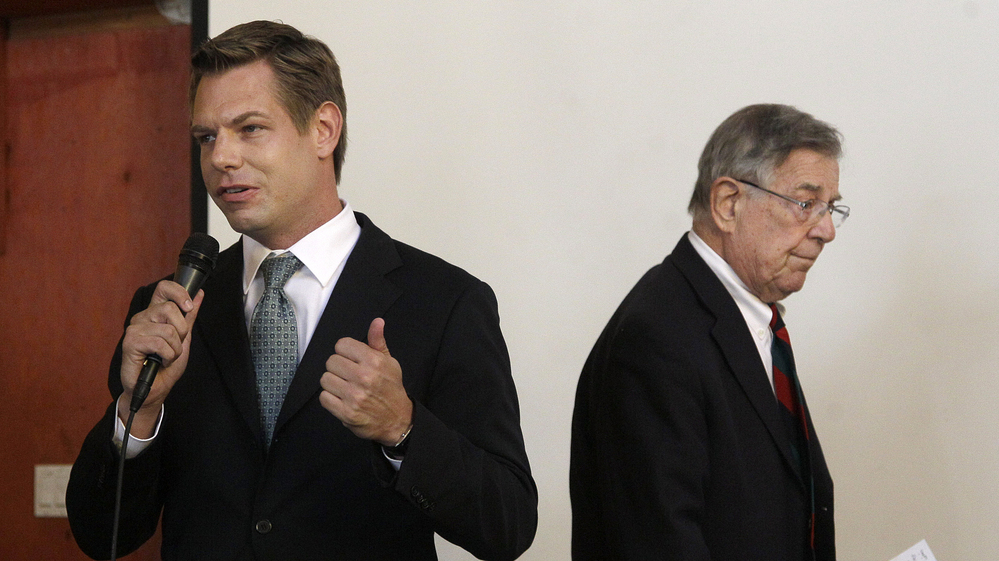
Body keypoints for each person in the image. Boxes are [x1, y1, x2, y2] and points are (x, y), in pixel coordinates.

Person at [66, 20, 537, 561]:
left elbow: (508, 525)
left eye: (249, 129)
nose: (221, 158)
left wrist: (404, 429)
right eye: (206, 137)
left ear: (323, 129)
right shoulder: (171, 309)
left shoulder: (445, 302)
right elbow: (100, 534)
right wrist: (137, 411)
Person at [570, 104, 846, 560]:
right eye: (805, 203)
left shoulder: (749, 318)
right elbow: (659, 545)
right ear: (728, 204)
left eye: (831, 207)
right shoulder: (657, 340)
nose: (827, 230)